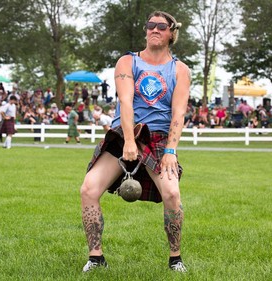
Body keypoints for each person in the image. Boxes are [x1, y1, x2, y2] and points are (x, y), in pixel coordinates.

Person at [80, 11, 190, 273]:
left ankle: (175, 259)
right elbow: (126, 101)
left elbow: (179, 113)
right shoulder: (127, 62)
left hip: (159, 137)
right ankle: (96, 258)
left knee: (172, 194)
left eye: (161, 26)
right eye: (150, 25)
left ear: (171, 33)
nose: (154, 29)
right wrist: (129, 140)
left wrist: (171, 151)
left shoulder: (180, 70)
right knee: (88, 189)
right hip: (124, 133)